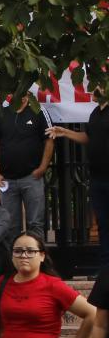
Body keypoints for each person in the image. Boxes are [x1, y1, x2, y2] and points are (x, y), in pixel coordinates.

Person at [47, 85, 109, 256]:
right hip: (97, 177)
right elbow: (88, 137)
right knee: (103, 223)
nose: (94, 90)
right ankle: (106, 268)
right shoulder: (96, 113)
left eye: (99, 86)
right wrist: (65, 132)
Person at [0, 84, 52, 233]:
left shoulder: (38, 111)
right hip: (7, 179)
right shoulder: (0, 114)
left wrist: (43, 167)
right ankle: (13, 256)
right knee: (10, 225)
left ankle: (37, 255)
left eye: (24, 94)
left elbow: (49, 140)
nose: (21, 97)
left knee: (35, 223)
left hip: (32, 177)